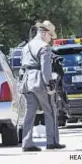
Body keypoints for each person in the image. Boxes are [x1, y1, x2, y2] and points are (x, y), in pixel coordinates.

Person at [19, 21, 66, 151]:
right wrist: (50, 84)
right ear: (45, 33)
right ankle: (52, 141)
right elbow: (46, 69)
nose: (51, 39)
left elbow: (22, 66)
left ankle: (26, 142)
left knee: (29, 113)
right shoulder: (44, 47)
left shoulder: (26, 47)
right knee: (50, 110)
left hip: (27, 82)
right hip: (39, 80)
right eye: (50, 36)